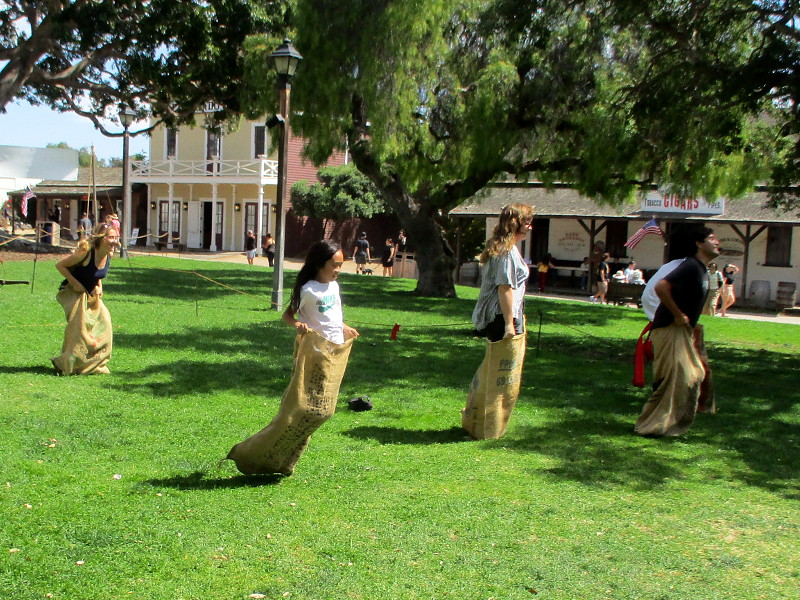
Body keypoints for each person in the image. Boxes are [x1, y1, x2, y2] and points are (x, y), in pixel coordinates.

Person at [227, 241, 359, 475]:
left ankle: (284, 460)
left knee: (317, 411)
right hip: (314, 352)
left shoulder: (334, 287)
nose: (338, 270)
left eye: (340, 265)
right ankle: (254, 454)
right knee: (309, 409)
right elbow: (288, 315)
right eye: (334, 265)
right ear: (319, 263)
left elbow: (333, 317)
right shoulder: (308, 290)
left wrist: (345, 327)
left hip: (335, 352)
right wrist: (298, 324)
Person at [634, 227, 720, 437]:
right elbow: (661, 287)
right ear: (698, 243)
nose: (717, 242)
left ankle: (666, 422)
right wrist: (678, 314)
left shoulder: (701, 269)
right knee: (674, 379)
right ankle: (652, 426)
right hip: (669, 328)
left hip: (683, 331)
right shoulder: (690, 266)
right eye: (711, 238)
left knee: (694, 373)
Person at [464, 204, 533, 440]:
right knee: (499, 374)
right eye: (527, 222)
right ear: (516, 224)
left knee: (496, 371)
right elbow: (505, 288)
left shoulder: (505, 248)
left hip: (503, 316)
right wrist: (510, 324)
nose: (530, 227)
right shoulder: (506, 251)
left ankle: (484, 423)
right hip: (500, 317)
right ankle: (487, 427)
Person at [51, 222, 119, 375]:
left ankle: (95, 363)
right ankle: (67, 363)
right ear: (101, 238)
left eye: (116, 238)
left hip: (90, 294)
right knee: (79, 325)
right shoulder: (86, 252)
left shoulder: (108, 254)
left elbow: (97, 274)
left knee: (105, 322)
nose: (114, 241)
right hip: (71, 291)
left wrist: (99, 286)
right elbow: (60, 265)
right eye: (111, 237)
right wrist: (75, 284)